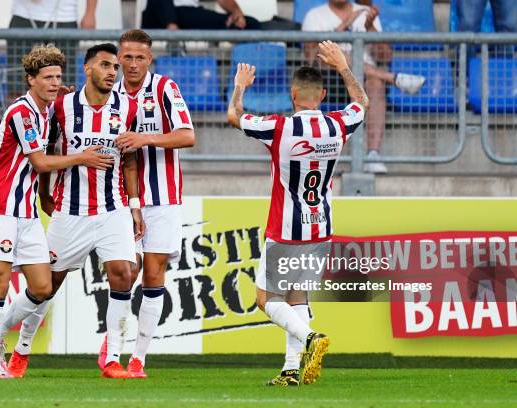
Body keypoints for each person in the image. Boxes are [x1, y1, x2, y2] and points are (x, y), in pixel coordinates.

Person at [227, 41, 369, 386]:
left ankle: (311, 338)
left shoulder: (279, 128)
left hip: (285, 229)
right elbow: (362, 102)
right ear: (321, 94)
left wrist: (239, 87)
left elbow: (233, 116)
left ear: (293, 95)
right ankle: (291, 370)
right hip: (320, 228)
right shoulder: (338, 125)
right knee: (297, 297)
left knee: (266, 300)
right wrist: (343, 66)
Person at [2, 43, 145, 379]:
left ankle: (112, 358)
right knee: (47, 285)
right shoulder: (62, 106)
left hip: (113, 208)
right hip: (71, 210)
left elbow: (129, 159)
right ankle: (20, 349)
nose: (113, 72)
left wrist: (135, 205)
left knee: (124, 272)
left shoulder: (127, 107)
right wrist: (43, 191)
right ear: (87, 69)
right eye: (106, 65)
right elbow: (44, 149)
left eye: (115, 67)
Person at [0, 44, 112, 379]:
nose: (54, 83)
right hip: (0, 208)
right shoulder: (21, 112)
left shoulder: (48, 111)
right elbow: (40, 162)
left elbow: (70, 102)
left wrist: (66, 93)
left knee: (41, 286)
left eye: (58, 77)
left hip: (26, 212)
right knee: (0, 280)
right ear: (30, 80)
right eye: (47, 77)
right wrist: (82, 157)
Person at [94, 29, 196, 379]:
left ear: (150, 59)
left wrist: (144, 138)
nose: (133, 64)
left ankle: (137, 359)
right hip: (122, 198)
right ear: (118, 58)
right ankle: (112, 349)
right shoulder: (111, 93)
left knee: (153, 276)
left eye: (140, 57)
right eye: (127, 57)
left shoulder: (165, 88)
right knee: (126, 272)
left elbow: (188, 136)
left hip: (164, 198)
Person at [303, 0, 426, 174]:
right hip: (331, 79)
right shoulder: (314, 16)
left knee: (376, 84)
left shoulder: (365, 13)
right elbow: (311, 57)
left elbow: (386, 57)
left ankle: (373, 155)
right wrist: (345, 25)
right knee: (337, 53)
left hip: (366, 79)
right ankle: (393, 79)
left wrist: (370, 29)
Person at [7, 0, 98, 101]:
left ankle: (61, 115)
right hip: (24, 14)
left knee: (66, 84)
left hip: (65, 16)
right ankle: (18, 115)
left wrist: (90, 12)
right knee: (16, 81)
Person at [142, 0, 260, 30]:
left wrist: (237, 14)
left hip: (189, 14)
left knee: (250, 23)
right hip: (158, 16)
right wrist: (170, 23)